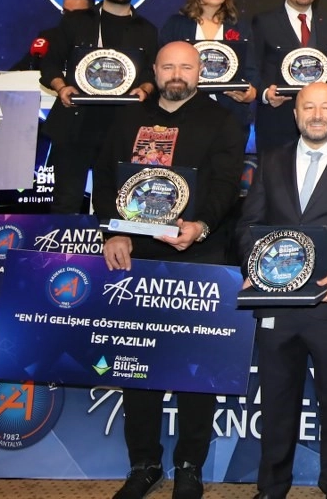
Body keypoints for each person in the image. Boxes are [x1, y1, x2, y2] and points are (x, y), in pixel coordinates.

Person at [94, 41, 246, 499]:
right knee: (138, 361)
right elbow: (105, 177)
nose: (177, 74)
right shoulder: (127, 118)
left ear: (200, 72)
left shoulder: (223, 120)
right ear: (155, 71)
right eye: (168, 67)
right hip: (136, 253)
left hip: (199, 253)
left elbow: (226, 185)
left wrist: (201, 226)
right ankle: (143, 464)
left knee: (195, 366)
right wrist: (112, 232)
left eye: (186, 67)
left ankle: (189, 466)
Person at [237, 81, 327, 499]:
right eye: (308, 107)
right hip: (276, 301)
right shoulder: (271, 160)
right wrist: (255, 267)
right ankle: (272, 485)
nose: (317, 115)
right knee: (276, 399)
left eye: (326, 107)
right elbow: (249, 223)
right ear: (295, 113)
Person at [40, 0, 160, 214]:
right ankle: (60, 243)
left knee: (116, 206)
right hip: (75, 124)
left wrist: (146, 89)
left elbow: (153, 72)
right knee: (66, 202)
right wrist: (62, 88)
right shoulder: (76, 22)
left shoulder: (148, 30)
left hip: (122, 128)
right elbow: (50, 64)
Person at [249, 0, 327, 154]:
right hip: (276, 121)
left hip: (319, 123)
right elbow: (252, 67)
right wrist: (265, 94)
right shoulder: (264, 22)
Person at [159, 0, 257, 112]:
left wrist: (251, 93)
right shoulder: (176, 25)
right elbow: (162, 67)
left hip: (229, 112)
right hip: (184, 109)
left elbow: (251, 72)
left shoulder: (240, 27)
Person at [11, 0, 94, 71]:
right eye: (66, 12)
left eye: (76, 13)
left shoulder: (99, 37)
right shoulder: (48, 37)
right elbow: (20, 69)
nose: (69, 17)